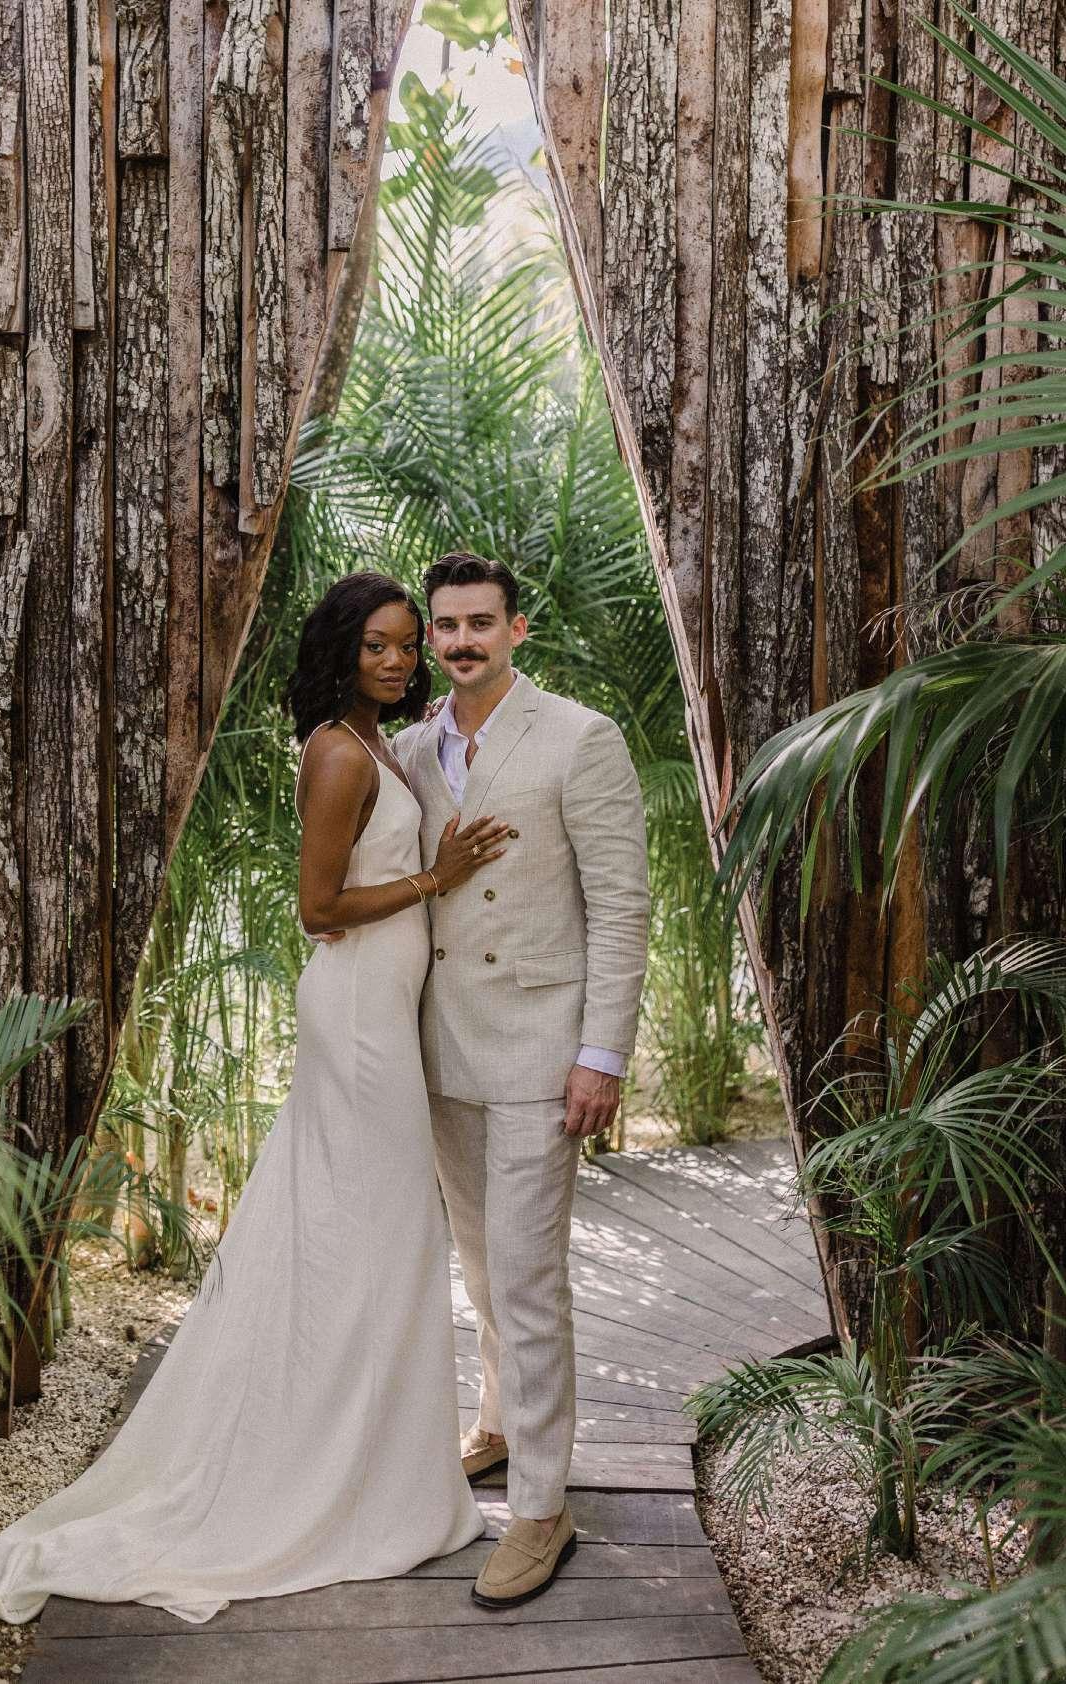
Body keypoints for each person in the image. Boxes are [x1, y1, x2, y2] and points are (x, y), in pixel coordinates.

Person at [0, 571, 508, 1626]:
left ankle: (374, 1467)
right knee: (375, 1232)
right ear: (340, 651)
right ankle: (333, 1477)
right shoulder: (337, 753)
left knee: (376, 1238)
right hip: (355, 1016)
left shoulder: (376, 743)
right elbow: (317, 907)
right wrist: (431, 881)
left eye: (408, 645)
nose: (398, 661)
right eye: (378, 645)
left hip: (379, 1010)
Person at [393, 550, 649, 1610]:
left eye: (480, 623)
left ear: (516, 630)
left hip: (541, 1048)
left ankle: (542, 1507)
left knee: (529, 1276)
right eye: (446, 626)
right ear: (431, 637)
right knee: (481, 1264)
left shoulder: (580, 737)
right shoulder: (411, 747)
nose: (461, 641)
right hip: (442, 1044)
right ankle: (498, 1426)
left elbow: (621, 905)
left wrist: (602, 1054)